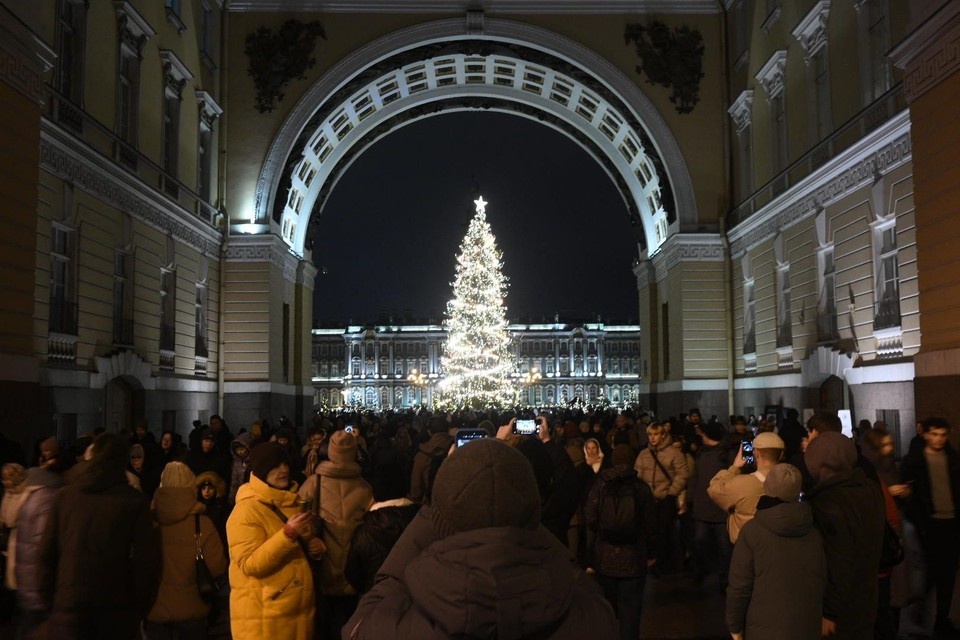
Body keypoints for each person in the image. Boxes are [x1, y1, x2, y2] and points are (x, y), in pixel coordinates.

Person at [344, 438, 618, 639]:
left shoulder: (400, 627)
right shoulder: (591, 617)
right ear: (532, 514)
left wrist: (432, 511)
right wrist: (520, 514)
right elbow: (579, 580)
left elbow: (359, 624)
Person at [38, 432, 162, 638]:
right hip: (115, 610)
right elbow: (145, 562)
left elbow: (46, 555)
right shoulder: (133, 501)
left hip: (68, 607)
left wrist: (52, 602)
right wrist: (137, 607)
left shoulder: (65, 497)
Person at [226, 442, 323, 640]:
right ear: (261, 471)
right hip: (264, 618)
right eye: (275, 466)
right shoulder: (246, 511)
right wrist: (287, 535)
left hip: (295, 613)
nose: (284, 470)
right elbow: (249, 563)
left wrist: (313, 546)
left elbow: (298, 547)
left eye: (285, 464)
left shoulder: (292, 500)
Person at [726, 464, 826, 640]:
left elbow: (740, 586)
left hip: (763, 627)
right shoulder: (813, 530)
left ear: (767, 487)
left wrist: (734, 626)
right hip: (807, 624)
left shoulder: (752, 531)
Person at [805, 431, 885, 639]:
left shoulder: (827, 501)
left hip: (840, 609)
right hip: (868, 598)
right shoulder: (869, 488)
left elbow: (840, 560)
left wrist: (830, 612)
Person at [298, 429, 373, 639]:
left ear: (329, 452)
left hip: (322, 566)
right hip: (353, 569)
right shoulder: (366, 488)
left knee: (322, 624)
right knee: (348, 623)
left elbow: (297, 519)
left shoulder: (314, 483)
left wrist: (311, 539)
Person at [145, 461, 228, 640]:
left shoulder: (149, 523)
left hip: (155, 609)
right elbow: (218, 567)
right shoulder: (202, 523)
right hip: (194, 610)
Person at [584, 444, 656, 640]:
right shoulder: (641, 488)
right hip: (634, 559)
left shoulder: (601, 485)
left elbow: (590, 517)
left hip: (605, 559)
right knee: (631, 616)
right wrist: (651, 552)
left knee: (608, 613)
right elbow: (650, 524)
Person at [901, 417, 960, 638]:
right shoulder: (915, 460)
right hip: (930, 522)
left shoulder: (952, 458)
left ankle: (941, 618)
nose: (939, 439)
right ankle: (923, 610)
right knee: (934, 570)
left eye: (943, 435)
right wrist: (918, 519)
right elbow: (908, 494)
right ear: (925, 434)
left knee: (948, 572)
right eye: (934, 434)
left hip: (951, 521)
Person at [708, 431, 784, 545]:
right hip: (779, 543)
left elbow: (714, 489)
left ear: (756, 453)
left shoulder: (742, 483)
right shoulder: (790, 480)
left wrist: (734, 467)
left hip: (747, 544)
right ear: (781, 455)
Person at [634, 421, 689, 574]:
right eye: (650, 434)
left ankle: (665, 564)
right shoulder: (644, 454)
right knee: (650, 532)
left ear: (663, 435)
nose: (652, 438)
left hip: (665, 498)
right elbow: (637, 473)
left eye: (656, 434)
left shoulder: (673, 453)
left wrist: (671, 492)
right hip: (648, 499)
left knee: (664, 532)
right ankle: (653, 561)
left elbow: (683, 475)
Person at [690, 418, 732, 588]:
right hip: (703, 507)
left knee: (723, 546)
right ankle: (704, 570)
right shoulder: (703, 452)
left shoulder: (725, 454)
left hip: (719, 508)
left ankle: (724, 577)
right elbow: (696, 477)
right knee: (701, 541)